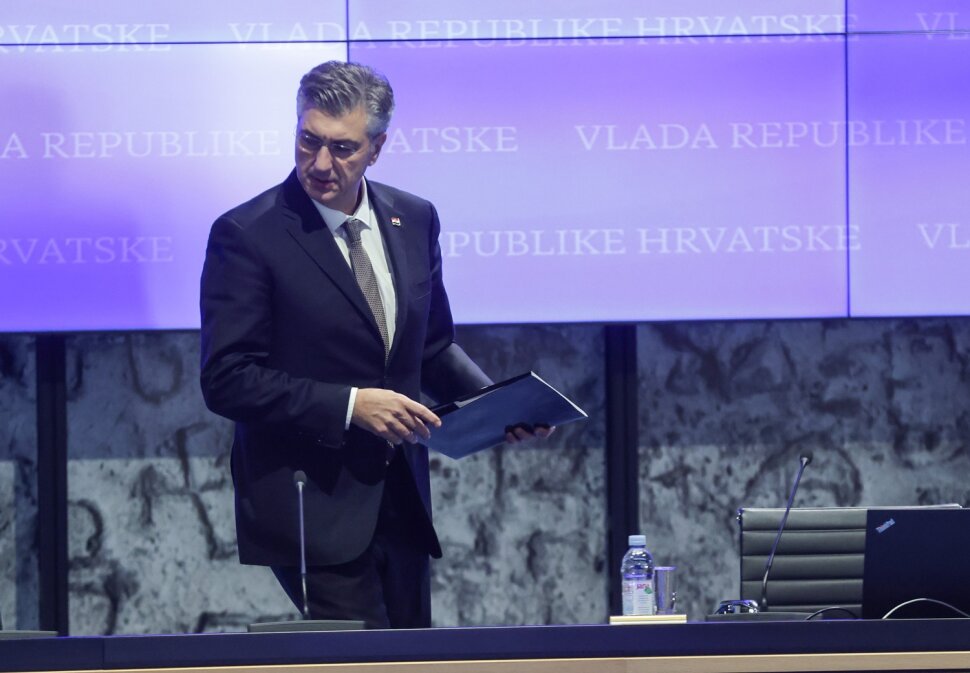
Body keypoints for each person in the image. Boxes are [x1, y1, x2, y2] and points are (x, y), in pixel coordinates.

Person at [199, 61, 547, 629]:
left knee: (411, 660)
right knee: (362, 662)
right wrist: (351, 405)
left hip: (401, 496)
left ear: (377, 148)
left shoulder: (415, 217)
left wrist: (498, 406)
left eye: (343, 148)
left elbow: (431, 347)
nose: (320, 163)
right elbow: (227, 378)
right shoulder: (246, 235)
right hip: (312, 503)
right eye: (308, 140)